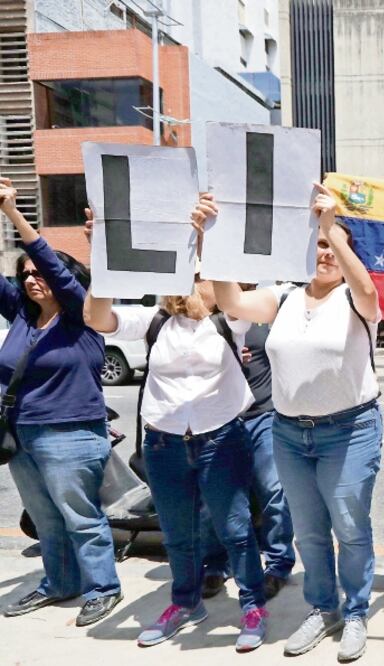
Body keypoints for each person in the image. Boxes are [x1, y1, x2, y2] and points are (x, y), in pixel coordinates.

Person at [83, 206, 268, 652]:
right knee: (178, 533)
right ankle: (185, 602)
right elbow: (95, 316)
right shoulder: (154, 322)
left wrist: (208, 238)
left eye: (199, 273)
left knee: (235, 527)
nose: (191, 282)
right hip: (165, 443)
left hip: (220, 439)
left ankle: (252, 603)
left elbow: (231, 298)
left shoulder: (230, 321)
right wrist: (102, 253)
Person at [210, 184, 383, 662]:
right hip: (290, 432)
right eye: (318, 243)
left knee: (349, 527)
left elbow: (368, 290)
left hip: (349, 431)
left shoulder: (355, 298)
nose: (324, 251)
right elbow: (232, 302)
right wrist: (212, 240)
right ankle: (322, 608)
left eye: (332, 243)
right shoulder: (282, 297)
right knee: (308, 530)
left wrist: (332, 226)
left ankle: (355, 613)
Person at [0, 178, 122, 627]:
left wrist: (14, 213)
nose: (32, 278)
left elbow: (52, 265)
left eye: (39, 273)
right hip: (22, 436)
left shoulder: (81, 315)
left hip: (71, 433)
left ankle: (102, 587)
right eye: (24, 274)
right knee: (47, 520)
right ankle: (59, 583)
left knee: (81, 518)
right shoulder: (21, 316)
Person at [198, 283, 296, 603]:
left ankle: (278, 564)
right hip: (222, 421)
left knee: (274, 492)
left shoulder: (268, 315)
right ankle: (216, 563)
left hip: (265, 416)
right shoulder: (210, 326)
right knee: (215, 500)